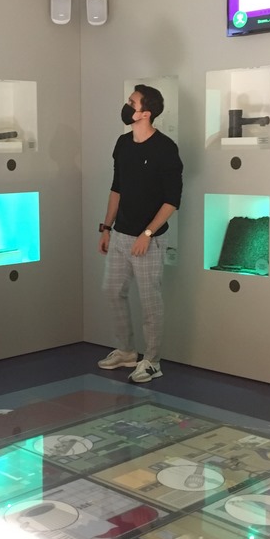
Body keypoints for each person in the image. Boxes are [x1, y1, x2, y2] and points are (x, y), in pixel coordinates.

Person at [97, 84, 183, 383]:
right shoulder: (122, 143)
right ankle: (126, 351)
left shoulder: (165, 149)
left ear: (145, 113)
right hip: (120, 235)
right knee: (112, 291)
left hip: (150, 240)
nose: (126, 105)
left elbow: (172, 200)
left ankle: (152, 361)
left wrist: (147, 233)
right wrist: (106, 227)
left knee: (150, 302)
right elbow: (116, 188)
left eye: (131, 102)